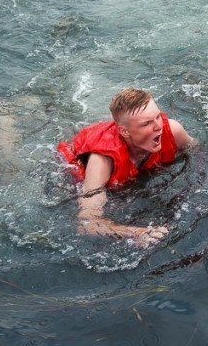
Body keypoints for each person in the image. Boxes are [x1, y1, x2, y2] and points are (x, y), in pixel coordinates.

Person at [57, 88, 195, 244]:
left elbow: (199, 153)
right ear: (124, 132)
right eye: (147, 123)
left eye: (157, 116)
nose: (159, 126)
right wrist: (136, 233)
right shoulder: (102, 160)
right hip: (73, 161)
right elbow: (87, 224)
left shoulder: (173, 130)